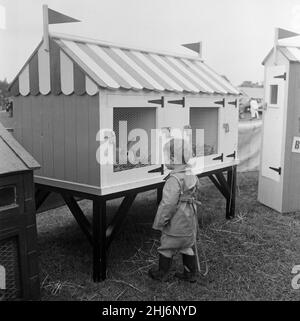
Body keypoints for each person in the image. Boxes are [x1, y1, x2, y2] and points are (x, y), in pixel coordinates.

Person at [148, 138, 201, 283]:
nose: (165, 160)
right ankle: (190, 274)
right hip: (189, 222)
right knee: (187, 246)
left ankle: (162, 273)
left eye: (166, 156)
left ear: (173, 158)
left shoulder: (174, 180)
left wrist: (160, 222)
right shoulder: (192, 175)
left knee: (166, 248)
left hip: (175, 224)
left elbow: (168, 204)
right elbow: (196, 193)